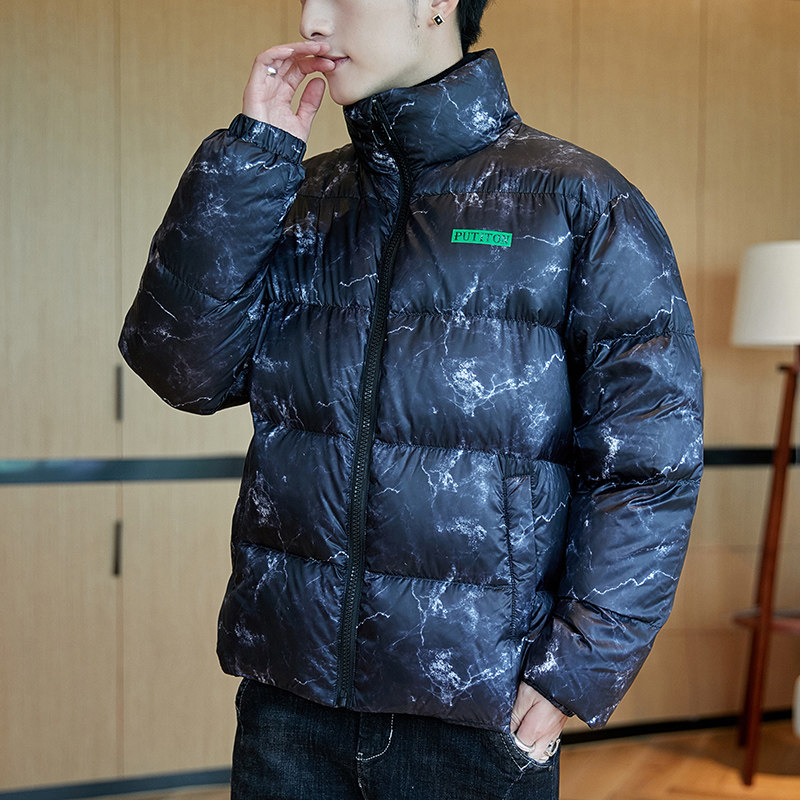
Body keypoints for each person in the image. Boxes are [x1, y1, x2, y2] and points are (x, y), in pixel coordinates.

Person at [119, 0, 703, 797]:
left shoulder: (578, 203)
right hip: (290, 705)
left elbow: (649, 462)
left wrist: (578, 666)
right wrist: (251, 158)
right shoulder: (300, 196)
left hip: (475, 711)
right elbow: (183, 370)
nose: (312, 18)